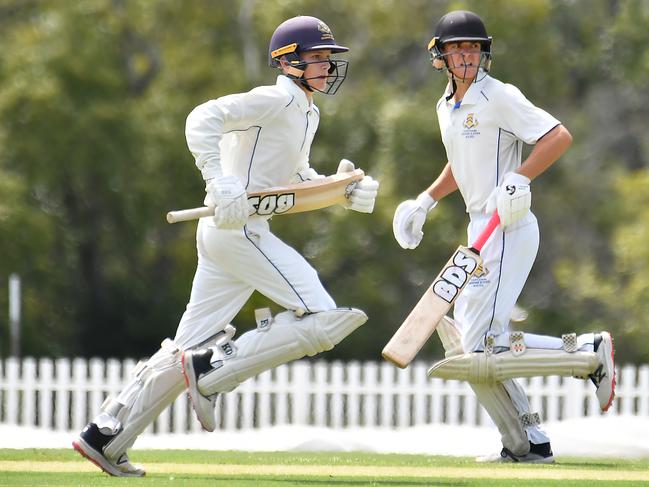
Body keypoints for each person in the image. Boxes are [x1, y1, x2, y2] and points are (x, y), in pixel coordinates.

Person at [72, 15, 378, 477]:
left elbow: (291, 180)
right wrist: (219, 181)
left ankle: (106, 434)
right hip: (238, 231)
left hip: (233, 233)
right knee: (323, 316)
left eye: (327, 58)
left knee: (183, 347)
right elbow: (202, 117)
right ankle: (216, 369)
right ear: (287, 62)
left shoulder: (306, 111)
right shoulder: (275, 98)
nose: (326, 66)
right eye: (315, 58)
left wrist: (341, 189)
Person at [392, 10, 615, 463]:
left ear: (483, 53)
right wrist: (426, 201)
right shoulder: (446, 106)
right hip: (479, 228)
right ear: (442, 57)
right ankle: (527, 443)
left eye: (473, 48)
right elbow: (461, 162)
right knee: (473, 347)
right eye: (457, 49)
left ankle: (588, 352)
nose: (467, 56)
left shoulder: (499, 96)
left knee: (479, 345)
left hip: (509, 224)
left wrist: (520, 178)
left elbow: (557, 136)